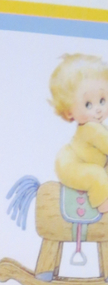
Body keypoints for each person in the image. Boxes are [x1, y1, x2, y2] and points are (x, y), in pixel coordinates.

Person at [50, 53, 108, 212]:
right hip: (70, 165)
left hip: (75, 158)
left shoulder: (97, 127)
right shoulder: (91, 128)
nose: (98, 109)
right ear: (69, 112)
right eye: (88, 104)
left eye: (102, 101)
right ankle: (103, 205)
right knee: (97, 175)